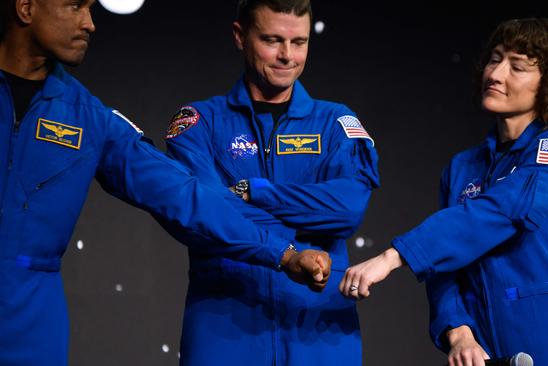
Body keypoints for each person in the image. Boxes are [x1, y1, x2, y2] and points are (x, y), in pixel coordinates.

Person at [0, 0, 332, 365]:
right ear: (27, 7)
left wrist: (283, 253)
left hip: (32, 320)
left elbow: (186, 198)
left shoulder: (90, 119)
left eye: (91, 8)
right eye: (75, 6)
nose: (89, 23)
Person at [340, 18, 548, 366]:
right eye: (495, 59)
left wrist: (394, 256)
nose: (496, 74)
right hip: (482, 352)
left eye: (517, 67)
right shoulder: (461, 168)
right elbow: (445, 269)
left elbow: (502, 211)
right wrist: (459, 332)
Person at [164, 0, 379, 364]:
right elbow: (204, 213)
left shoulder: (335, 122)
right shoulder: (200, 122)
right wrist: (297, 234)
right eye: (272, 40)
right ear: (239, 36)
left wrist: (255, 193)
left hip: (321, 331)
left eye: (300, 42)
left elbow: (347, 209)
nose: (287, 56)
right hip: (224, 331)